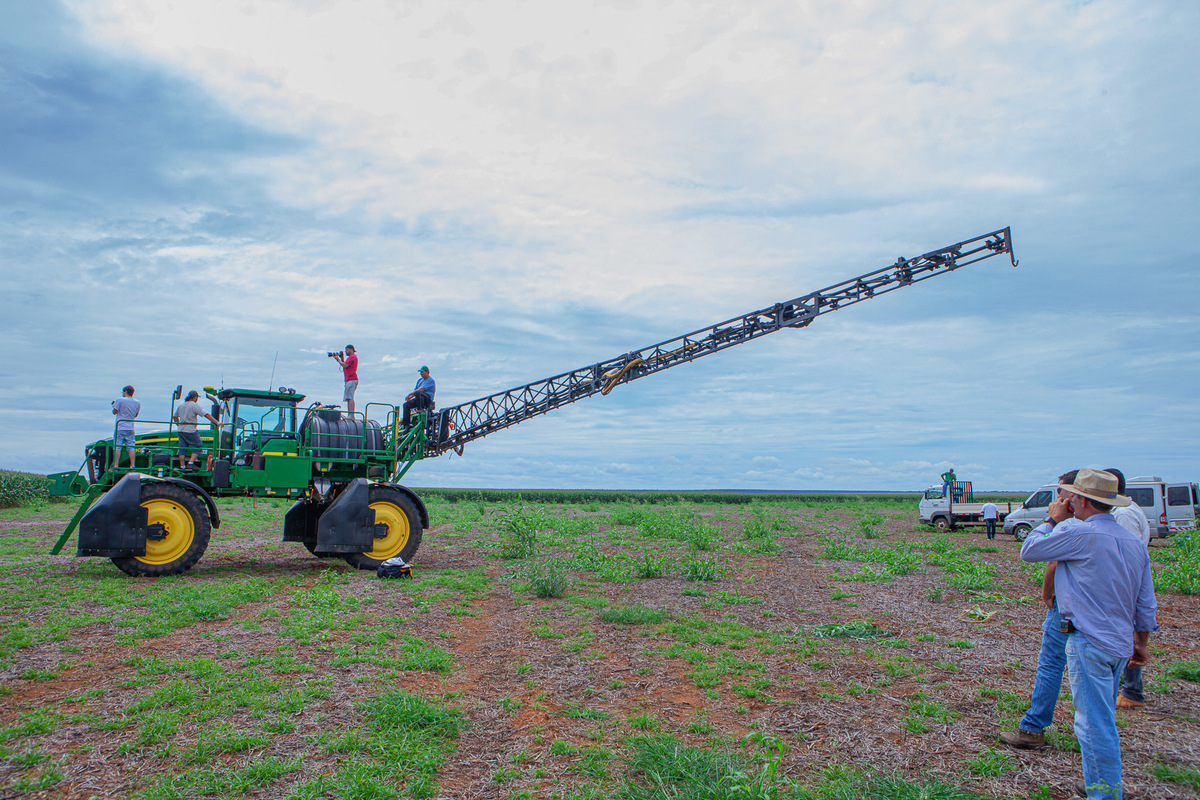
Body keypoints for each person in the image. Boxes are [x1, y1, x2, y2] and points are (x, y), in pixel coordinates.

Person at [1019, 468, 1158, 800]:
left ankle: (1106, 793)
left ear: (1081, 500)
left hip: (1088, 641)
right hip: (1120, 644)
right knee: (1101, 715)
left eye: (1071, 496)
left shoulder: (1079, 534)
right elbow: (1145, 603)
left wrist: (1052, 520)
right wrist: (1140, 643)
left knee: (1093, 725)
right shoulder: (1133, 543)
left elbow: (1030, 550)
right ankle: (1096, 781)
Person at [999, 469, 1079, 752]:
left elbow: (1037, 553)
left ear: (1074, 494)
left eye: (1061, 492)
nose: (1057, 497)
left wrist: (1052, 520)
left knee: (1052, 662)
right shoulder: (1120, 525)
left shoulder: (1072, 527)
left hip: (1069, 611)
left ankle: (1033, 727)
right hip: (1108, 614)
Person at [1106, 467, 1152, 710]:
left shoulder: (1122, 515)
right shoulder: (1130, 509)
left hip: (1126, 584)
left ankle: (1132, 692)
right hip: (1130, 583)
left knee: (1125, 634)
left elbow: (1127, 555)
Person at [173, 390, 220, 470]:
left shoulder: (181, 405)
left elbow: (175, 416)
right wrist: (216, 422)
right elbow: (206, 414)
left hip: (181, 430)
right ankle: (191, 463)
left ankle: (182, 466)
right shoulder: (194, 405)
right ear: (195, 397)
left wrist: (178, 424)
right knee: (198, 446)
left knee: (182, 448)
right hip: (190, 430)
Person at [110, 385, 141, 471]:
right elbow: (135, 415)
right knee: (131, 447)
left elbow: (114, 412)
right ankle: (132, 466)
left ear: (125, 391)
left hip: (120, 426)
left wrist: (114, 405)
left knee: (117, 446)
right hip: (130, 427)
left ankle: (115, 466)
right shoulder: (137, 402)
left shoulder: (120, 400)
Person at [402, 365, 436, 430]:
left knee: (418, 393)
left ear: (427, 372)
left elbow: (421, 389)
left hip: (427, 400)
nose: (421, 373)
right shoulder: (420, 380)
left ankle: (420, 409)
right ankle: (407, 424)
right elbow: (415, 390)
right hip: (418, 398)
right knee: (406, 405)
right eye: (420, 372)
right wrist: (410, 397)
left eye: (422, 372)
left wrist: (410, 394)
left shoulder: (430, 380)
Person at [334, 345, 359, 416]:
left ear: (351, 350)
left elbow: (345, 365)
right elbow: (345, 364)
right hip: (349, 379)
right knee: (348, 397)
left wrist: (338, 360)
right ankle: (350, 414)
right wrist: (342, 359)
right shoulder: (351, 358)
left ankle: (351, 415)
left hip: (351, 379)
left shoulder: (352, 357)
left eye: (347, 350)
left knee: (350, 397)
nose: (345, 351)